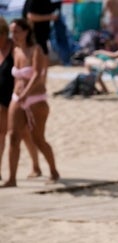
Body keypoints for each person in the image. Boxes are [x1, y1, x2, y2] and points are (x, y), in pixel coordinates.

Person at [2, 18, 59, 187]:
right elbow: (15, 77)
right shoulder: (15, 50)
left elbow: (37, 74)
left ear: (26, 32)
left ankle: (54, 171)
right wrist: (17, 94)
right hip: (17, 98)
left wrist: (26, 93)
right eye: (12, 31)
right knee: (13, 136)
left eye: (16, 31)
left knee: (38, 138)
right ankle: (12, 178)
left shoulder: (36, 50)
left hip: (35, 99)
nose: (13, 35)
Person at [0, 17, 41, 182]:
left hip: (15, 97)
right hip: (3, 97)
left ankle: (36, 165)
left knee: (22, 134)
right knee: (5, 134)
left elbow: (32, 68)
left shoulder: (15, 47)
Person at [22, 0, 60, 68]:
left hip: (42, 33)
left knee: (43, 52)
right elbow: (30, 16)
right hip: (34, 33)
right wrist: (50, 17)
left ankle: (42, 74)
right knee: (39, 53)